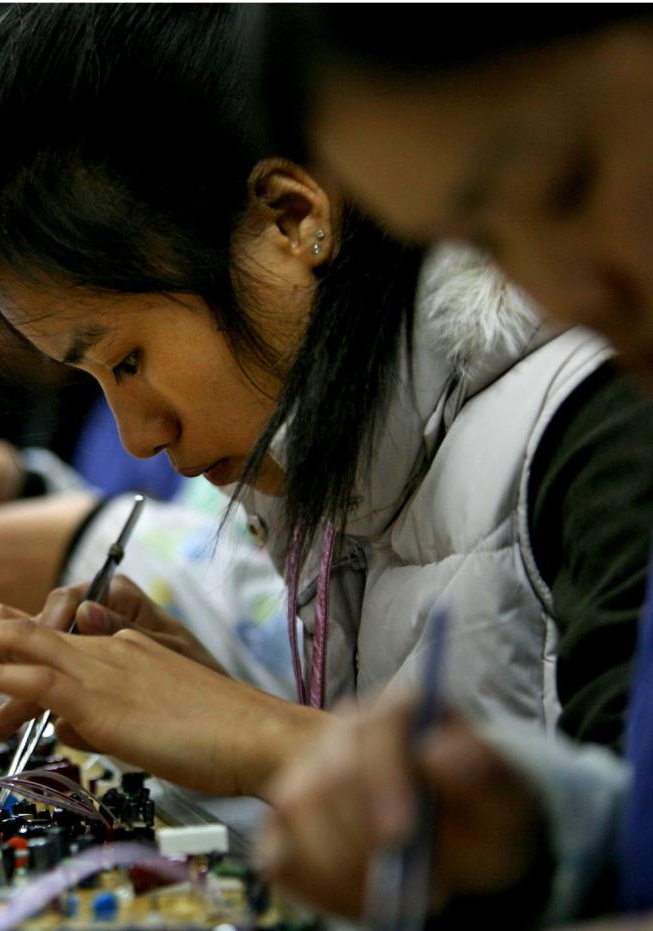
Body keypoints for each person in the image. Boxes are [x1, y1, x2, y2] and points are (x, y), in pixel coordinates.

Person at [0, 3, 653, 801]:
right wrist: (220, 706)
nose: (137, 440)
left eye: (127, 360)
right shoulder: (354, 468)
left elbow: (625, 859)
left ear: (292, 219)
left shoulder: (595, 424)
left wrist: (263, 737)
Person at [254, 6, 653, 923]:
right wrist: (534, 834)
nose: (567, 293)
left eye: (568, 182)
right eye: (487, 244)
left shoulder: (600, 430)